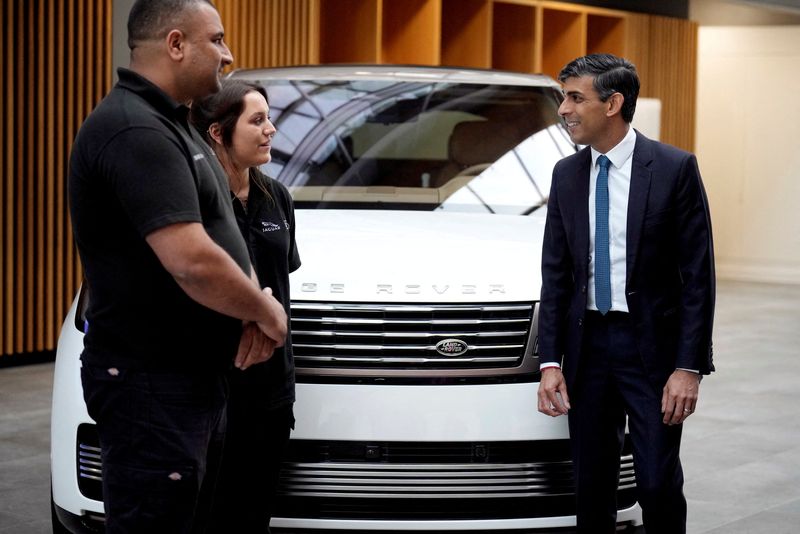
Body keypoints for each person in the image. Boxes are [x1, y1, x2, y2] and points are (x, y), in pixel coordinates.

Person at [68, 1, 288, 532]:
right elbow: (189, 258)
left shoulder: (174, 123)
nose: (227, 54)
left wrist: (246, 310)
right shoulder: (135, 130)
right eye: (216, 40)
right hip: (151, 384)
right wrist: (266, 311)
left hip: (186, 380)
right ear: (175, 44)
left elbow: (220, 232)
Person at [536, 54, 715, 534]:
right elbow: (555, 276)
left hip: (651, 351)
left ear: (613, 103)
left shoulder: (674, 168)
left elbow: (698, 277)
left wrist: (688, 367)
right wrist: (549, 361)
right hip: (586, 348)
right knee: (591, 486)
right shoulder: (565, 175)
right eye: (563, 97)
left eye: (576, 97)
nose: (564, 109)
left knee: (656, 482)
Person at [189, 80, 301, 532]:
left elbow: (281, 282)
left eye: (269, 118)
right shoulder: (196, 202)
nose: (271, 129)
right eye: (257, 121)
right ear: (218, 132)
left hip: (271, 387)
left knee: (254, 513)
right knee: (206, 513)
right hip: (212, 385)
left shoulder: (278, 197)